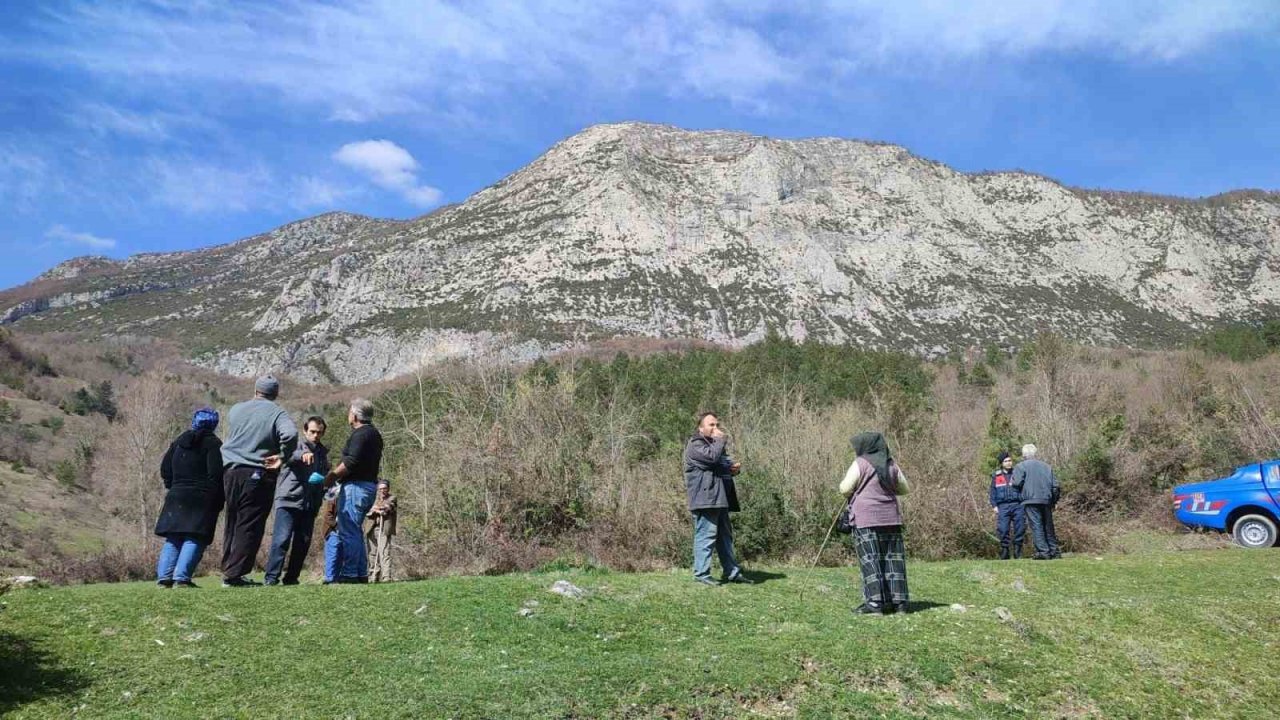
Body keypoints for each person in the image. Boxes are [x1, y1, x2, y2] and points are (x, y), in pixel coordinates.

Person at [219, 375, 298, 587]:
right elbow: (290, 434)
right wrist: (282, 456)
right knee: (250, 523)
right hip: (257, 473)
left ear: (256, 390)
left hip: (229, 471)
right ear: (275, 393)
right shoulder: (277, 412)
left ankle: (228, 568)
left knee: (233, 521)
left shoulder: (236, 409)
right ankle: (234, 575)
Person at [155, 407, 225, 588]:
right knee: (194, 536)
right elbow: (215, 474)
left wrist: (173, 485)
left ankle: (164, 577)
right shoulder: (213, 444)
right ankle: (182, 577)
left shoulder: (178, 442)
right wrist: (216, 497)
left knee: (173, 537)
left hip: (176, 495)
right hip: (201, 498)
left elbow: (165, 468)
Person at [840, 431, 910, 614]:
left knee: (870, 560)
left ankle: (874, 604)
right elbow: (904, 488)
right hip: (891, 518)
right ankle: (899, 603)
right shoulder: (891, 463)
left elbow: (845, 488)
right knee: (893, 560)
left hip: (866, 519)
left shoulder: (860, 463)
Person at [683, 411, 752, 586]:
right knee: (706, 537)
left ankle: (732, 573)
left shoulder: (714, 445)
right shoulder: (695, 445)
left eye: (717, 425)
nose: (716, 428)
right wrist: (721, 440)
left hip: (719, 498)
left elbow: (720, 465)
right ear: (700, 428)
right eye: (711, 425)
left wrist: (732, 469)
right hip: (705, 499)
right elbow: (712, 459)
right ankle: (702, 575)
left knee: (725, 537)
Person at [264, 416, 330, 586]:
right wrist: (303, 455)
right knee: (281, 540)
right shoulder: (294, 446)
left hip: (310, 503)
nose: (316, 435)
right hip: (289, 499)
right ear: (305, 431)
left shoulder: (323, 453)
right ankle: (271, 578)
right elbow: (289, 457)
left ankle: (292, 578)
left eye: (319, 433)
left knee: (303, 543)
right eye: (313, 432)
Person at [323, 398, 383, 583]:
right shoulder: (375, 434)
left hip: (355, 487)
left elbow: (351, 462)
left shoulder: (360, 435)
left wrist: (331, 477)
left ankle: (350, 574)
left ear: (355, 416)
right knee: (355, 530)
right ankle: (360, 573)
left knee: (348, 530)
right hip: (368, 486)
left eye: (350, 412)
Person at [1013, 443, 1061, 559]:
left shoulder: (1020, 466)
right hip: (1046, 500)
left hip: (1030, 500)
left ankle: (1043, 552)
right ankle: (1054, 551)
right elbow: (1056, 486)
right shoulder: (1047, 467)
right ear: (1035, 453)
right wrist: (1054, 501)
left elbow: (1016, 483)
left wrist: (1021, 494)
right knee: (1048, 526)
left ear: (1024, 455)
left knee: (1037, 525)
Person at [990, 451, 1025, 559]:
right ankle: (1005, 551)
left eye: (1010, 460)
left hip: (1017, 504)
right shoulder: (996, 476)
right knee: (1003, 529)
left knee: (1020, 528)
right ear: (1002, 463)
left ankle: (1017, 550)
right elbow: (992, 492)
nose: (1008, 463)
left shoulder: (1017, 473)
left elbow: (1023, 488)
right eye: (1006, 461)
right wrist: (994, 505)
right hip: (1003, 506)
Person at [365, 478, 397, 583]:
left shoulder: (392, 498)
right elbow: (366, 510)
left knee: (384, 552)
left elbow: (387, 507)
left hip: (383, 528)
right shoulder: (373, 498)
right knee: (372, 553)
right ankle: (373, 576)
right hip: (371, 528)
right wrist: (374, 509)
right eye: (380, 489)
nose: (382, 491)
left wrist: (376, 509)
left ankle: (386, 577)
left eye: (384, 488)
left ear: (388, 489)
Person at [319, 485, 341, 584]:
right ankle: (329, 578)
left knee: (341, 555)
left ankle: (336, 578)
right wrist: (336, 526)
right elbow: (328, 515)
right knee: (333, 554)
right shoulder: (333, 499)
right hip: (332, 531)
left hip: (344, 531)